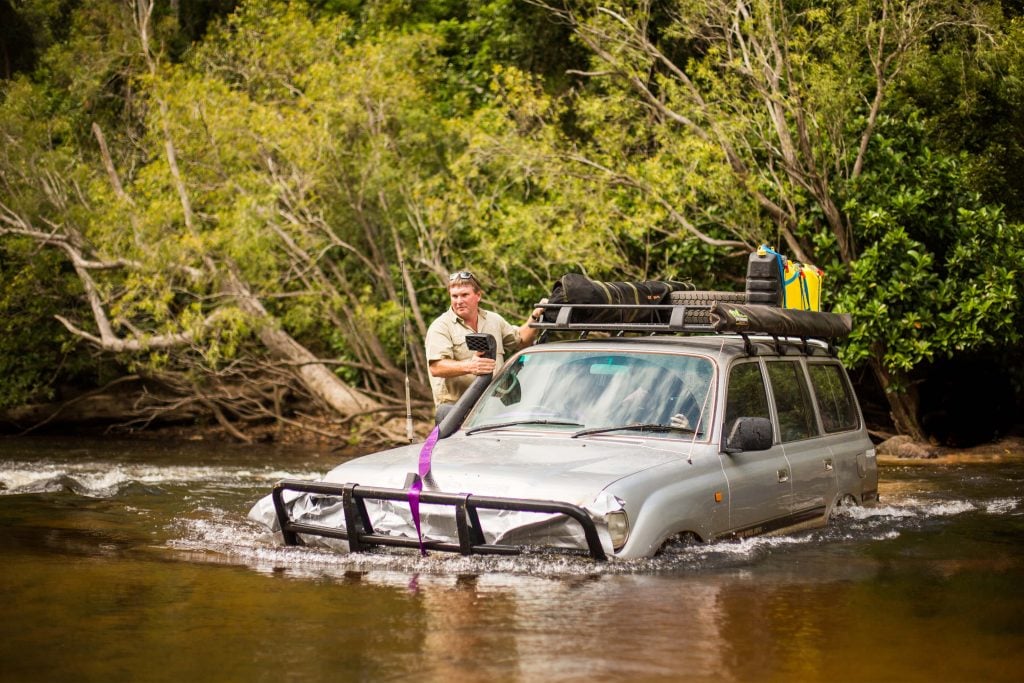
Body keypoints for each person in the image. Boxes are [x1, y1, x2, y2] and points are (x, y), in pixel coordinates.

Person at [425, 270, 546, 409]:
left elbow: (522, 341)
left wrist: (536, 316)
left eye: (464, 295)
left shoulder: (493, 320)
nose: (459, 301)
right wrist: (470, 366)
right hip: (456, 412)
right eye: (454, 296)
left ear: (478, 295)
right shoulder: (441, 326)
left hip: (492, 409)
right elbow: (436, 367)